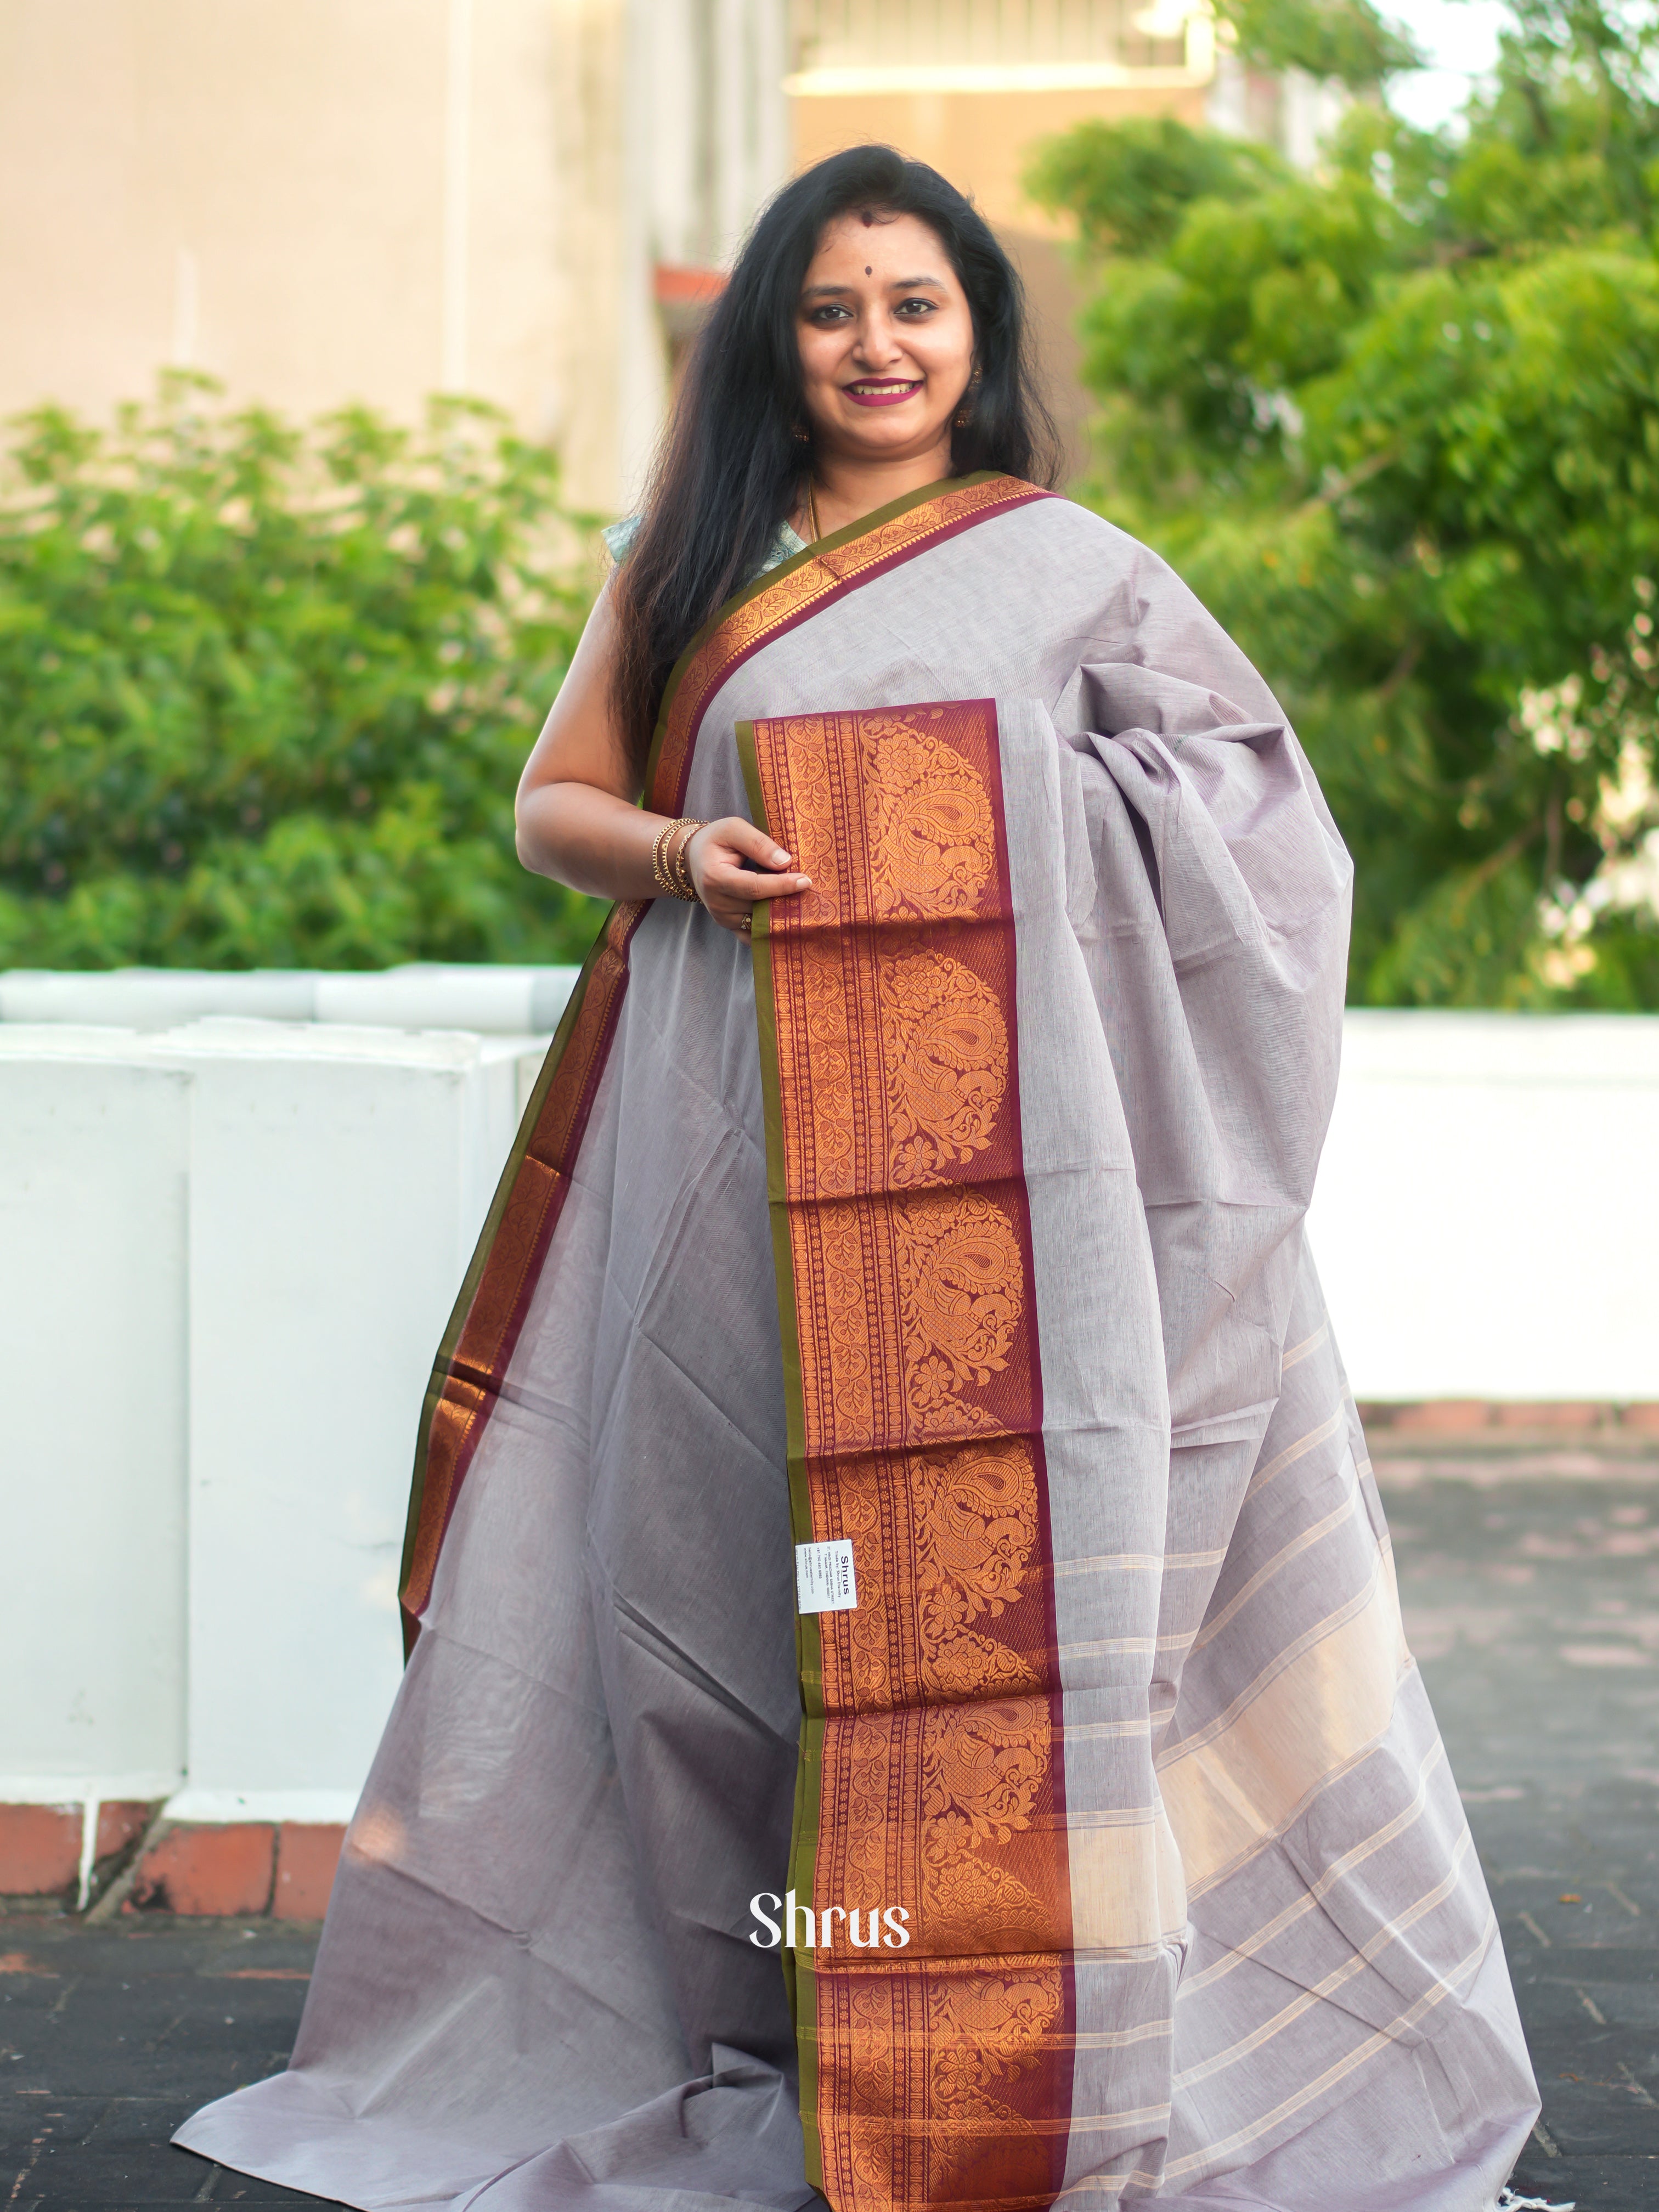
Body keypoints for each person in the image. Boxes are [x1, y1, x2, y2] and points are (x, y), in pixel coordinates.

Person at [178, 145, 1543, 2212]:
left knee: (1030, 1611)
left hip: (1033, 1202)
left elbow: (1266, 833)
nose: (876, 345)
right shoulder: (691, 556)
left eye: (916, 303)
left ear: (975, 329)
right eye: (832, 309)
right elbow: (557, 805)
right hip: (733, 1168)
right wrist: (680, 853)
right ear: (774, 339)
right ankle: (798, 2017)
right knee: (743, 1592)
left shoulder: (1072, 566)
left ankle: (1057, 2036)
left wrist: (1025, 815)